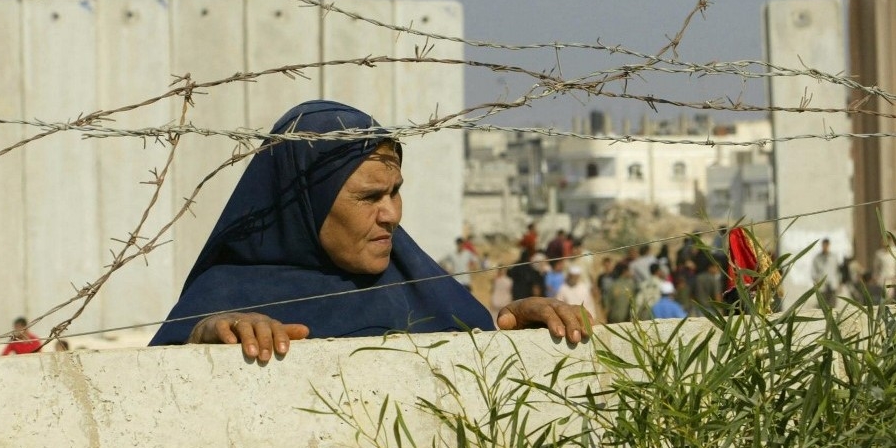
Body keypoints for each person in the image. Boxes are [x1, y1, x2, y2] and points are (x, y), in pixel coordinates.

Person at [148, 101, 590, 361]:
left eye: (394, 192)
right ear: (304, 204)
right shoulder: (225, 303)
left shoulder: (420, 287)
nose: (391, 215)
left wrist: (527, 340)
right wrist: (202, 345)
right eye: (368, 198)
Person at [810, 238, 840, 308]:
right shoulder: (817, 258)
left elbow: (837, 271)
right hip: (822, 285)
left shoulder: (833, 257)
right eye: (824, 245)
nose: (825, 247)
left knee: (832, 305)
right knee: (822, 306)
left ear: (829, 245)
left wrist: (839, 283)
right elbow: (813, 271)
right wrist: (816, 280)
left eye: (827, 245)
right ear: (822, 246)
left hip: (832, 284)